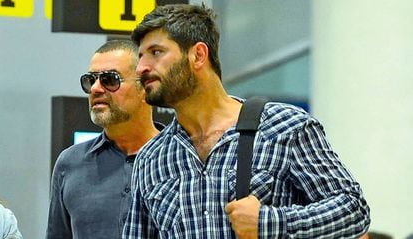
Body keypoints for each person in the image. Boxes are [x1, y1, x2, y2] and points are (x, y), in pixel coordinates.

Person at [122, 4, 370, 239]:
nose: (141, 67)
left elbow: (353, 210)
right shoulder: (150, 158)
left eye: (156, 52)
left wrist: (268, 222)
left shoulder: (283, 126)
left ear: (198, 55)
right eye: (141, 56)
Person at [46, 40, 161, 239]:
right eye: (91, 80)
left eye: (110, 79)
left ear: (144, 87)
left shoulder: (180, 158)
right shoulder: (70, 163)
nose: (96, 89)